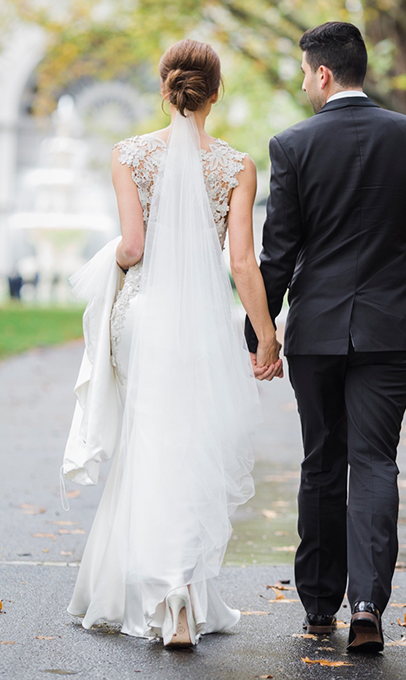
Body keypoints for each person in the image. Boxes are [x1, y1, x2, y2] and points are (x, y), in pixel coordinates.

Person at [62, 39, 281, 648]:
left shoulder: (128, 156)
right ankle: (182, 590)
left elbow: (131, 248)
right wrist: (266, 337)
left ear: (165, 89)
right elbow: (242, 262)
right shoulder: (237, 166)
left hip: (144, 316)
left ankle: (151, 590)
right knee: (191, 441)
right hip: (204, 321)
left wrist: (114, 265)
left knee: (148, 439)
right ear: (215, 94)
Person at [245, 21, 406, 653]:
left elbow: (276, 253)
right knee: (377, 461)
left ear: (324, 73)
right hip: (391, 328)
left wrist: (260, 334)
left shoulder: (293, 144)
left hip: (317, 331)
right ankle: (367, 608)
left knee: (322, 461)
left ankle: (317, 605)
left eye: (306, 72)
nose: (305, 82)